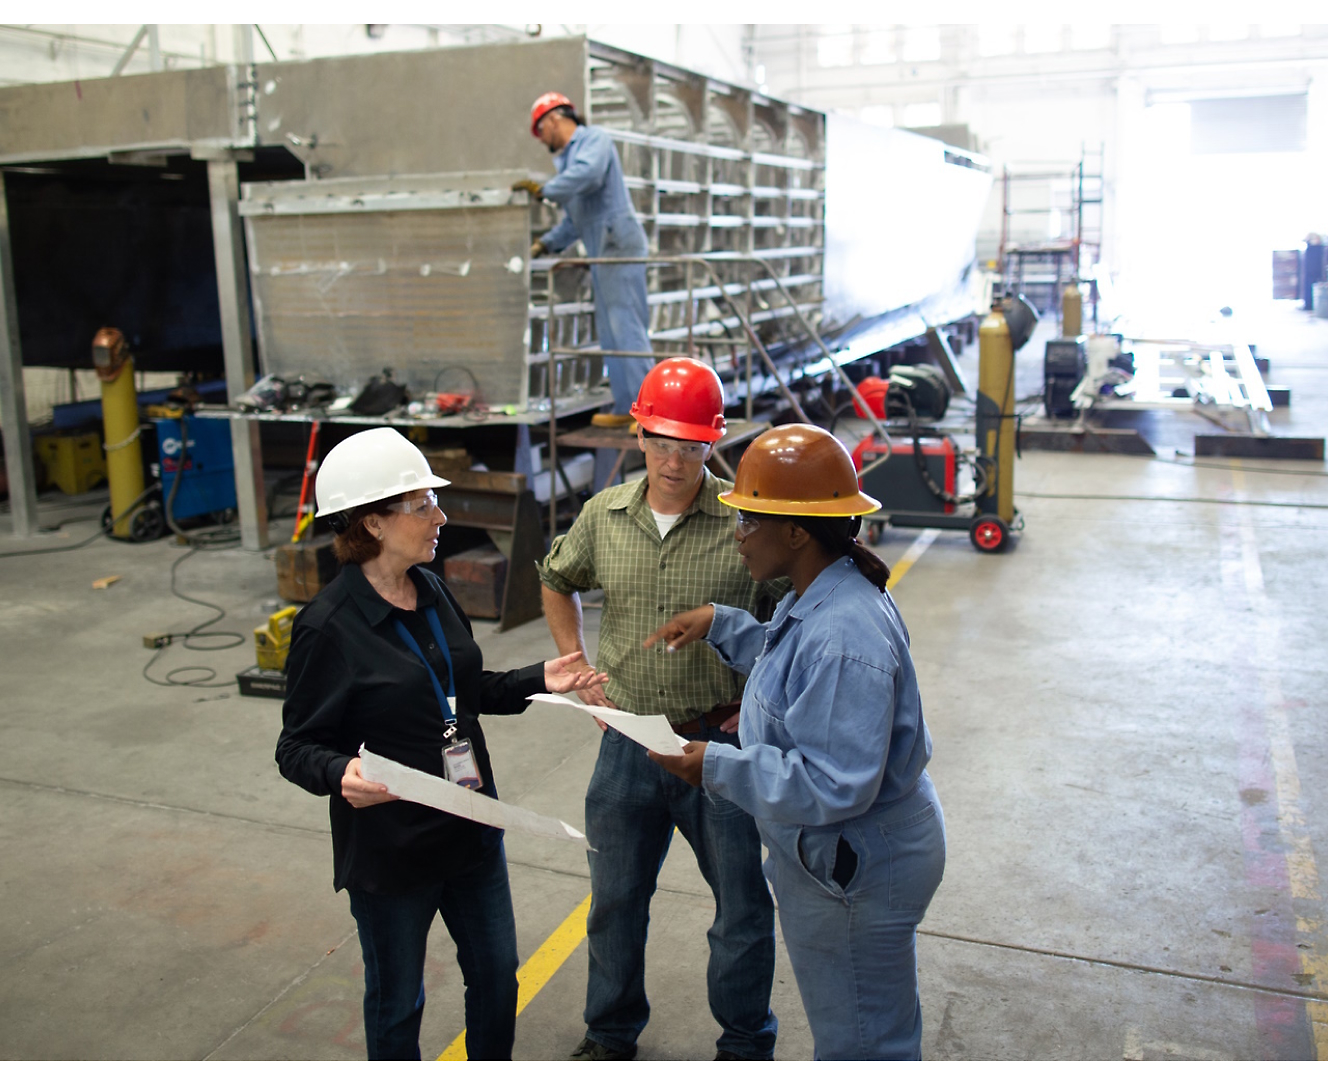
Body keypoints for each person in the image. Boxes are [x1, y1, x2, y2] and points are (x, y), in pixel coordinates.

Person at [275, 427, 606, 1061]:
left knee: (495, 976)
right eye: (423, 504)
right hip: (393, 851)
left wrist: (541, 678)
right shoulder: (328, 627)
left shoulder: (431, 589)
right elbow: (296, 747)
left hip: (472, 830)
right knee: (398, 1001)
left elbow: (463, 691)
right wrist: (339, 771)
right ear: (372, 523)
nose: (441, 516)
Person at [644, 424, 947, 1061]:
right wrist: (723, 624)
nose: (738, 535)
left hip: (856, 865)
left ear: (797, 531)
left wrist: (715, 767)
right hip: (844, 859)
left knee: (864, 1040)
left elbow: (834, 780)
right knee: (865, 1018)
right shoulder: (824, 590)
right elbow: (793, 672)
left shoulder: (844, 633)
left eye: (750, 521)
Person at [538, 357, 783, 1061]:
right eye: (660, 442)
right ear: (639, 435)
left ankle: (744, 1044)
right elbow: (556, 578)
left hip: (719, 750)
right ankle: (610, 1034)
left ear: (715, 442)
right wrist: (577, 666)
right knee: (614, 902)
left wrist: (759, 702)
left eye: (690, 444)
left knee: (741, 907)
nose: (673, 461)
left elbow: (789, 625)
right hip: (628, 739)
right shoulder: (603, 515)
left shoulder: (746, 522)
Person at [513, 91, 652, 427]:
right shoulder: (568, 163)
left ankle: (650, 414)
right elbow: (575, 222)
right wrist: (544, 244)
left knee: (627, 327)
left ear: (554, 120)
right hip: (600, 250)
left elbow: (588, 175)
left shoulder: (594, 141)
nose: (542, 138)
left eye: (540, 130)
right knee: (609, 331)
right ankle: (626, 408)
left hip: (618, 244)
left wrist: (545, 190)